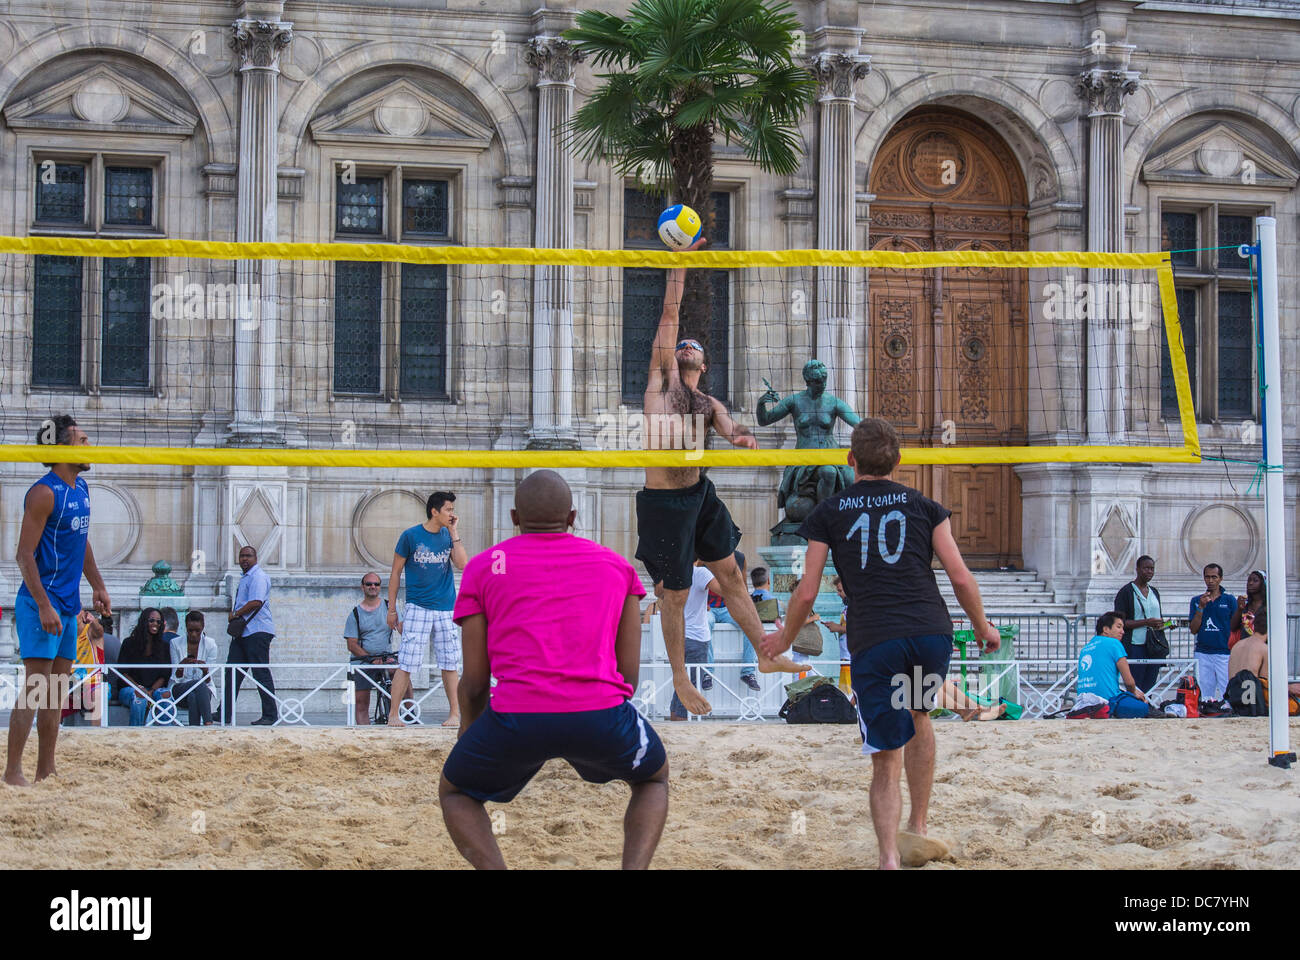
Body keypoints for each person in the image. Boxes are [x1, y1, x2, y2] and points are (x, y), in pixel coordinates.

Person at [763, 418, 999, 870]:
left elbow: (807, 591)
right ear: (899, 461)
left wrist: (784, 638)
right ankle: (920, 826)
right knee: (920, 714)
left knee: (886, 754)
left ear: (851, 460)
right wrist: (983, 626)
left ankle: (890, 857)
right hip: (930, 632)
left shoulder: (829, 512)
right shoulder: (926, 507)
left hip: (876, 637)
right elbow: (960, 575)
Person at [440, 470, 668, 869]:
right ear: (573, 517)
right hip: (600, 713)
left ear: (514, 516)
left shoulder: (485, 566)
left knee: (456, 793)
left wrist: (469, 732)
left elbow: (474, 681)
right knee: (652, 779)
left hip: (517, 716)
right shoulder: (616, 567)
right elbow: (628, 675)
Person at [635, 237, 802, 716]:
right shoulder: (659, 384)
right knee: (676, 592)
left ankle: (767, 655)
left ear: (703, 365)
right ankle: (681, 681)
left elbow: (731, 430)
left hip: (700, 496)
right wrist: (680, 266)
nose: (685, 346)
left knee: (730, 573)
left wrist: (743, 438)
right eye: (681, 345)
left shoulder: (709, 404)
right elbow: (669, 317)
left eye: (694, 349)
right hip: (664, 503)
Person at [5, 415, 112, 786]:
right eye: (82, 441)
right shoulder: (43, 493)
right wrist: (44, 605)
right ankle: (12, 772)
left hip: (68, 606)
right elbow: (23, 555)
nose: (88, 447)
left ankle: (45, 770)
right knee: (36, 688)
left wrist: (97, 585)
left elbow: (80, 543)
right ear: (63, 448)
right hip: (40, 606)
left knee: (55, 694)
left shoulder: (80, 489)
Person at [387, 491, 467, 727]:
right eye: (448, 509)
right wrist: (392, 609)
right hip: (417, 606)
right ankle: (393, 714)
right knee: (408, 661)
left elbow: (463, 565)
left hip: (446, 607)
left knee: (450, 662)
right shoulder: (410, 536)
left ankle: (455, 714)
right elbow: (395, 573)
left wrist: (454, 533)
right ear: (435, 511)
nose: (452, 514)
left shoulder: (448, 536)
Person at [224, 545, 278, 725]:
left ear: (256, 558)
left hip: (257, 631)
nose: (244, 559)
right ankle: (224, 712)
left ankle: (270, 715)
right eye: (241, 556)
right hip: (245, 632)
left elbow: (256, 601)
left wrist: (236, 614)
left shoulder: (258, 576)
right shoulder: (246, 577)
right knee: (232, 672)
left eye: (248, 556)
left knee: (260, 672)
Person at [669, 561, 719, 720]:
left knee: (681, 682)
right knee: (690, 685)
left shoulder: (673, 571)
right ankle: (681, 720)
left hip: (677, 635)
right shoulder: (700, 573)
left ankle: (675, 717)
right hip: (696, 636)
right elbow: (724, 590)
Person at [1226, 610, 1300, 716]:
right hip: (1253, 703)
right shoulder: (1265, 649)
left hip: (1234, 700)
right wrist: (1289, 688)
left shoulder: (1237, 646)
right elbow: (1266, 686)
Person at [345, 573, 396, 725]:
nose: (373, 587)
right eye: (369, 584)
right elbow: (352, 645)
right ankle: (364, 734)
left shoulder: (389, 607)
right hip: (363, 661)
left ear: (380, 587)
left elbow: (403, 630)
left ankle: (410, 714)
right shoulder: (355, 614)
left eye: (376, 584)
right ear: (363, 587)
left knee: (402, 673)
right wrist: (372, 660)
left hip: (386, 658)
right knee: (361, 702)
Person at [706, 550, 758, 691]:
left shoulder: (739, 557)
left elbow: (743, 586)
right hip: (707, 607)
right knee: (705, 623)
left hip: (729, 607)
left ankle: (748, 672)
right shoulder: (704, 556)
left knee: (750, 625)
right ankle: (707, 672)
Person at [1113, 555, 1165, 694]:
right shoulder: (1126, 592)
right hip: (1135, 645)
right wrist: (1146, 622)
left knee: (1150, 682)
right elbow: (1120, 622)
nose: (1149, 572)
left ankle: (1146, 707)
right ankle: (1135, 708)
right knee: (1136, 682)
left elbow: (1158, 617)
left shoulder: (1154, 592)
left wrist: (1165, 624)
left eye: (1152, 569)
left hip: (1153, 645)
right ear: (1137, 569)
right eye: (1146, 568)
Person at [117, 608, 175, 726]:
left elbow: (164, 675)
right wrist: (139, 688)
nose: (155, 624)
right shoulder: (129, 643)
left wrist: (151, 691)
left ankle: (166, 735)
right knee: (139, 697)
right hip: (131, 688)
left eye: (158, 622)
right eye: (151, 620)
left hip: (154, 689)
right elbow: (123, 672)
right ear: (144, 621)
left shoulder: (164, 646)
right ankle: (136, 733)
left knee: (166, 695)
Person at [1077, 612, 1148, 707]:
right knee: (1142, 706)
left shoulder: (1085, 648)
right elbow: (1129, 682)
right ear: (1106, 629)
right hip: (1108, 702)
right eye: (1119, 627)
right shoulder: (1114, 643)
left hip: (1083, 703)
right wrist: (1133, 694)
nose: (1123, 631)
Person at [1188, 563, 1235, 700]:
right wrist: (1201, 608)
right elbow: (1193, 629)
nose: (1210, 580)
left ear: (1220, 578)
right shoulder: (1196, 600)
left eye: (1214, 577)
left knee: (1227, 690)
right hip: (1203, 652)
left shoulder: (1230, 600)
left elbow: (1236, 625)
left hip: (1224, 652)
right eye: (1207, 577)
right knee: (1204, 692)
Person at [170, 611, 219, 726]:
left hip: (202, 692)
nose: (193, 634)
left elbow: (208, 680)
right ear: (185, 627)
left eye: (197, 631)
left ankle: (194, 729)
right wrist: (181, 666)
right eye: (190, 630)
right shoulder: (175, 643)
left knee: (194, 694)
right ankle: (208, 722)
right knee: (198, 685)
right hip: (180, 690)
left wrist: (205, 671)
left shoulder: (211, 645)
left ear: (203, 627)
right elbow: (175, 678)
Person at [1229, 570, 1266, 649]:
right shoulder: (1245, 604)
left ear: (1263, 583)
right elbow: (1233, 627)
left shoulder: (1268, 606)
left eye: (1255, 581)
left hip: (1263, 648)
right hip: (1245, 648)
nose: (1250, 583)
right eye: (1249, 580)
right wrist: (1239, 609)